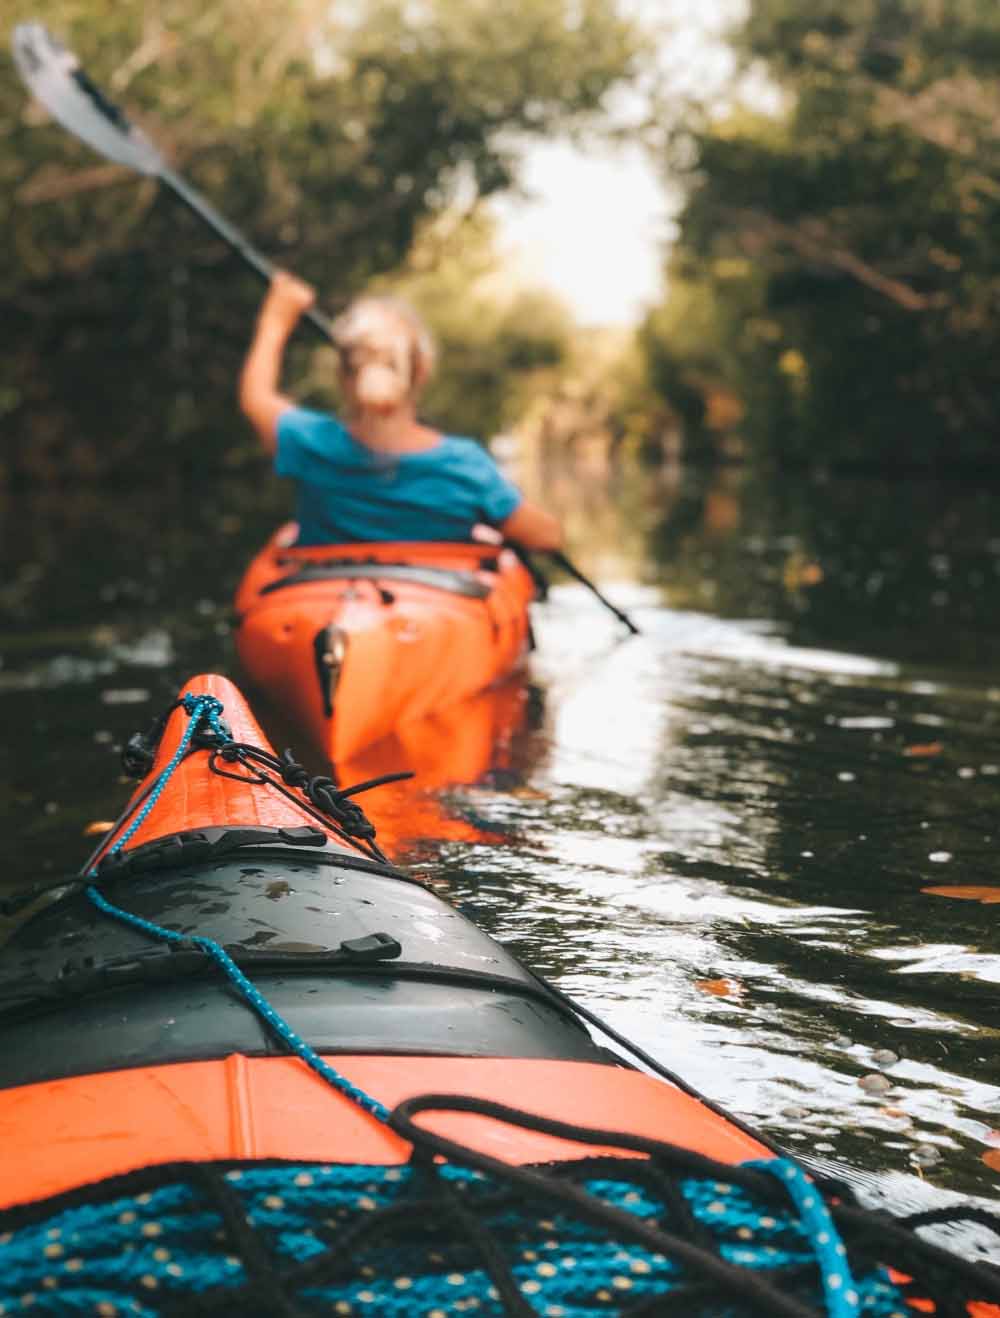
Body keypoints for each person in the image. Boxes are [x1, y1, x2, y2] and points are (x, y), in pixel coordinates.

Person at [239, 272, 563, 550]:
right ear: (422, 372)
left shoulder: (311, 443)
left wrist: (276, 320)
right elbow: (546, 537)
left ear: (342, 376)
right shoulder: (464, 466)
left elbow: (256, 397)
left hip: (324, 609)